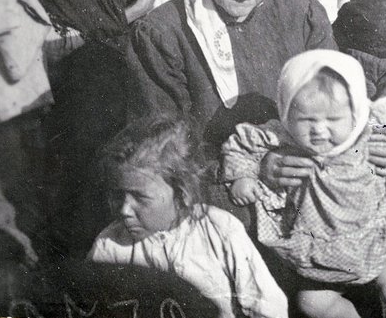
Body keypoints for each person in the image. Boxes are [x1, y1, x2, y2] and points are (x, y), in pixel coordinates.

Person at [17, 0, 180, 254]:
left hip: (139, 68)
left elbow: (167, 21)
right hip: (64, 78)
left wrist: (140, 14)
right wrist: (134, 10)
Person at [222, 51, 386, 318]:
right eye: (307, 120)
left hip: (377, 230)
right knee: (313, 304)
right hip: (319, 246)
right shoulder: (282, 135)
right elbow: (241, 143)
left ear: (355, 111)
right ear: (287, 113)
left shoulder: (372, 123)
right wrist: (243, 175)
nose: (319, 130)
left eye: (333, 120)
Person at [132, 0, 335, 155]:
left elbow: (337, 100)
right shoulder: (163, 34)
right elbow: (165, 147)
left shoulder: (302, 14)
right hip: (210, 181)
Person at [90, 117, 286, 318]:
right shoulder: (110, 247)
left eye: (140, 197)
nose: (124, 210)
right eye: (118, 195)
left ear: (182, 192)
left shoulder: (221, 230)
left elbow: (268, 307)